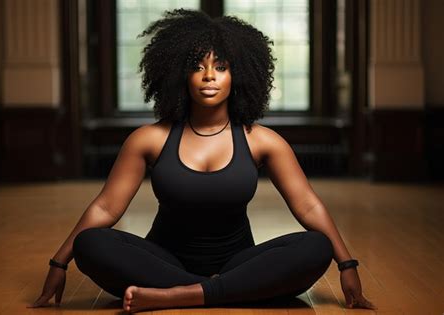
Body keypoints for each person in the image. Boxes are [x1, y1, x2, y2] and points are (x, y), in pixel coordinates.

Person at [29, 9, 376, 313]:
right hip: (163, 262)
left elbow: (308, 205)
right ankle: (210, 292)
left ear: (236, 76)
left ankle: (179, 296)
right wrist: (59, 261)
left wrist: (346, 264)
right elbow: (105, 208)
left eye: (220, 67)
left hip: (237, 262)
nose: (209, 76)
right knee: (91, 243)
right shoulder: (150, 139)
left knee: (315, 246)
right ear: (180, 75)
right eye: (198, 66)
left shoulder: (262, 141)